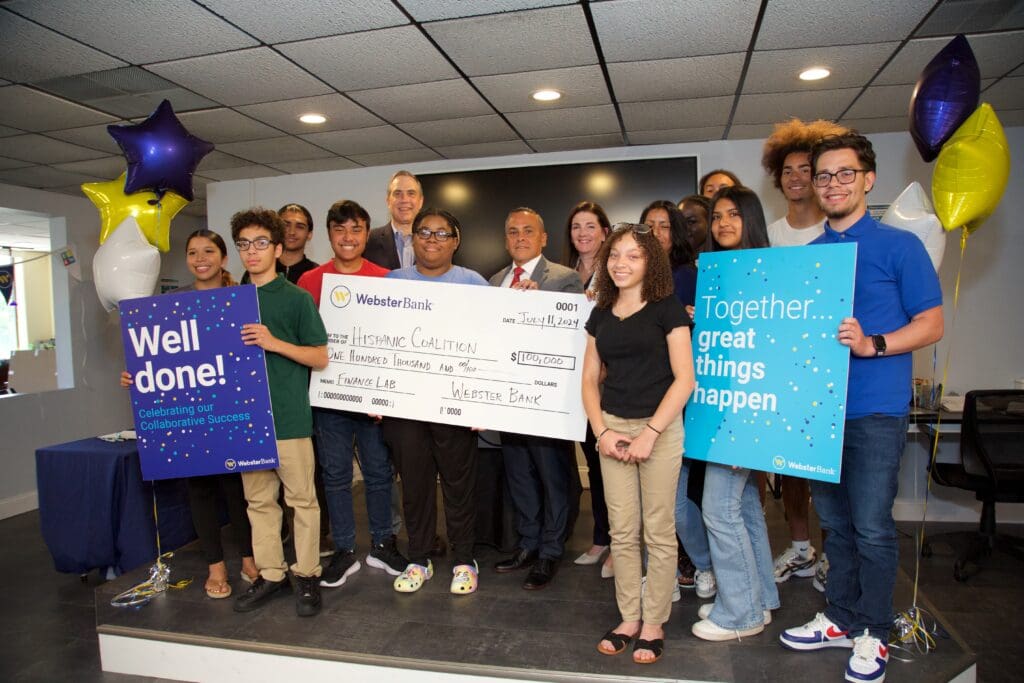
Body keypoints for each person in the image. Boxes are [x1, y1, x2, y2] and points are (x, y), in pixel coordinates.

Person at [780, 132, 943, 683]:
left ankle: (874, 630)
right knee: (835, 525)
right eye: (823, 176)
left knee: (872, 526)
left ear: (867, 180)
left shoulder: (900, 247)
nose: (831, 184)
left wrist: (873, 342)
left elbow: (931, 323)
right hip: (818, 414)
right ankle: (842, 617)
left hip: (875, 411)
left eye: (844, 174)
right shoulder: (808, 260)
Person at [119, 230, 257, 600]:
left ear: (224, 258)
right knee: (200, 491)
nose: (201, 258)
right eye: (193, 251)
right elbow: (154, 357)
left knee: (236, 491)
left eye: (209, 251)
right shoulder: (170, 304)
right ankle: (215, 566)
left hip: (231, 410)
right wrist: (137, 375)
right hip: (189, 415)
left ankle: (248, 558)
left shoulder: (240, 300)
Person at [584, 222, 694, 665]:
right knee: (622, 532)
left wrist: (650, 434)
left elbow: (685, 379)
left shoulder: (667, 308)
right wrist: (603, 432)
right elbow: (589, 380)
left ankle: (654, 622)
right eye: (614, 255)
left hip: (659, 429)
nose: (621, 263)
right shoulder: (601, 312)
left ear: (651, 261)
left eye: (633, 255)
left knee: (659, 531)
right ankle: (629, 617)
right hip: (612, 427)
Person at [296, 200, 409, 590]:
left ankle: (382, 543)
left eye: (356, 230)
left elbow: (396, 340)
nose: (348, 238)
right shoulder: (310, 281)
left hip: (373, 401)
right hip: (328, 400)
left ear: (366, 234)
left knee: (380, 473)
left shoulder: (388, 278)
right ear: (329, 234)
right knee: (336, 476)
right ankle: (345, 550)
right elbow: (303, 340)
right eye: (340, 230)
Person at [761, 118, 849, 591]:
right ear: (779, 178)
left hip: (832, 370)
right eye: (788, 170)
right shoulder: (770, 235)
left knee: (831, 476)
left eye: (805, 169)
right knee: (790, 470)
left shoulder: (839, 232)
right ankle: (800, 547)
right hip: (783, 372)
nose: (796, 177)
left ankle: (834, 555)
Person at [228, 207, 329, 618]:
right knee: (259, 502)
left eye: (261, 243)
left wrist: (275, 343)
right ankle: (270, 574)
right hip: (246, 421)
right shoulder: (229, 301)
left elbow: (320, 356)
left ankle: (306, 574)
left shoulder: (296, 298)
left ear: (276, 246)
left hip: (288, 418)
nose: (252, 252)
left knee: (302, 501)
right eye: (244, 245)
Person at [382, 208, 487, 595]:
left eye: (442, 234)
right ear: (413, 240)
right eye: (424, 232)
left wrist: (483, 403)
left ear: (456, 242)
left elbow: (490, 344)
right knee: (415, 485)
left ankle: (464, 559)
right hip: (405, 408)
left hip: (456, 405)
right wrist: (374, 393)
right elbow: (377, 344)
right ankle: (419, 558)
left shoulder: (474, 283)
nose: (431, 239)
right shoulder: (393, 282)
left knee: (459, 485)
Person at [691, 185, 780, 642]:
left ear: (752, 219)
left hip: (746, 411)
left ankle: (739, 614)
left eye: (733, 215)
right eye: (717, 216)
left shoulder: (769, 272)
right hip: (717, 409)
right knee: (744, 508)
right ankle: (757, 598)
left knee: (719, 510)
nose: (723, 223)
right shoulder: (716, 273)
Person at [491, 208, 583, 590]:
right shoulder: (494, 281)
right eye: (512, 231)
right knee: (520, 477)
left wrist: (538, 300)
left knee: (553, 477)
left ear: (543, 238)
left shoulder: (564, 278)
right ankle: (528, 543)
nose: (520, 237)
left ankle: (550, 551)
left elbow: (575, 331)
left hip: (547, 400)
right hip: (508, 399)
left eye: (528, 231)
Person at [640, 200, 715, 599]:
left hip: (679, 401)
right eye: (648, 225)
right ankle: (660, 575)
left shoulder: (688, 275)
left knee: (675, 500)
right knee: (650, 502)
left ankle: (704, 564)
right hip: (639, 399)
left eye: (664, 225)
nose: (655, 232)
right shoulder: (628, 276)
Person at [560, 202, 614, 575]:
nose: (583, 233)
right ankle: (600, 537)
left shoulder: (616, 271)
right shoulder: (561, 275)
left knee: (610, 467)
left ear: (605, 232)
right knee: (592, 470)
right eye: (576, 226)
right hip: (567, 384)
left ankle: (619, 544)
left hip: (609, 385)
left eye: (590, 226)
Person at [364, 170, 424, 270]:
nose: (404, 199)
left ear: (421, 201)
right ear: (388, 201)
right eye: (397, 193)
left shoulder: (433, 242)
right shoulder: (368, 240)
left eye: (411, 193)